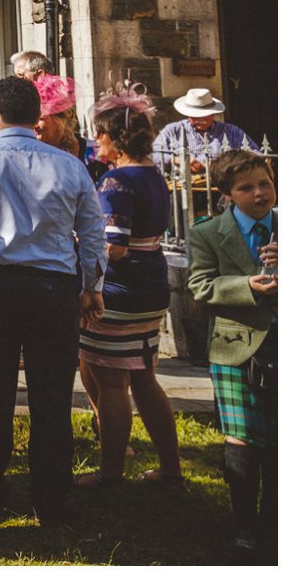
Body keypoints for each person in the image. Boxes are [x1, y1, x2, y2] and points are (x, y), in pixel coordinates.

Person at [0, 76, 105, 527]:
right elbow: (91, 231)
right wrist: (92, 286)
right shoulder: (69, 165)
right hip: (52, 286)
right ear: (38, 118)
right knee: (51, 395)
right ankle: (50, 497)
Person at [76, 84, 180, 488]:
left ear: (115, 138)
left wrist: (80, 244)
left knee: (112, 381)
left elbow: (114, 247)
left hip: (121, 291)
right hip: (152, 282)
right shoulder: (154, 174)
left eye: (99, 133)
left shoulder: (116, 181)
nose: (95, 141)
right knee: (144, 377)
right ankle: (171, 469)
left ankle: (111, 473)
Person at [186, 148, 277, 556]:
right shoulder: (206, 233)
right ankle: (244, 527)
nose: (260, 193)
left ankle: (273, 525)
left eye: (266, 183)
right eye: (247, 188)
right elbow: (201, 286)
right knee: (241, 440)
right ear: (227, 194)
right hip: (236, 350)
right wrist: (246, 286)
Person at [152, 88, 252, 173]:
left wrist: (223, 164)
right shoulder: (173, 130)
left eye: (205, 116)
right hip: (183, 188)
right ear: (187, 114)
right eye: (195, 117)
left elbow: (256, 154)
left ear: (213, 114)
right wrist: (176, 159)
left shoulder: (230, 131)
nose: (201, 120)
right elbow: (153, 155)